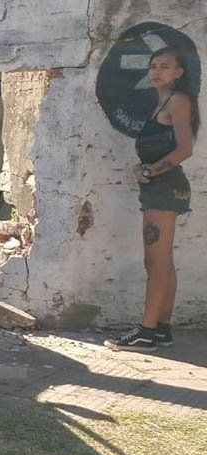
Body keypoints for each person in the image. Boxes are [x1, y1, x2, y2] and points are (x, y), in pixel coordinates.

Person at [106, 47, 199, 352]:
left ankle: (146, 331)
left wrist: (152, 169)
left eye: (165, 66)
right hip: (159, 186)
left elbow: (185, 148)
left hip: (165, 188)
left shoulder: (179, 101)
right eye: (153, 66)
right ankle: (161, 329)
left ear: (179, 72)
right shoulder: (160, 103)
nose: (157, 71)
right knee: (163, 261)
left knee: (155, 262)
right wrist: (140, 167)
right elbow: (158, 148)